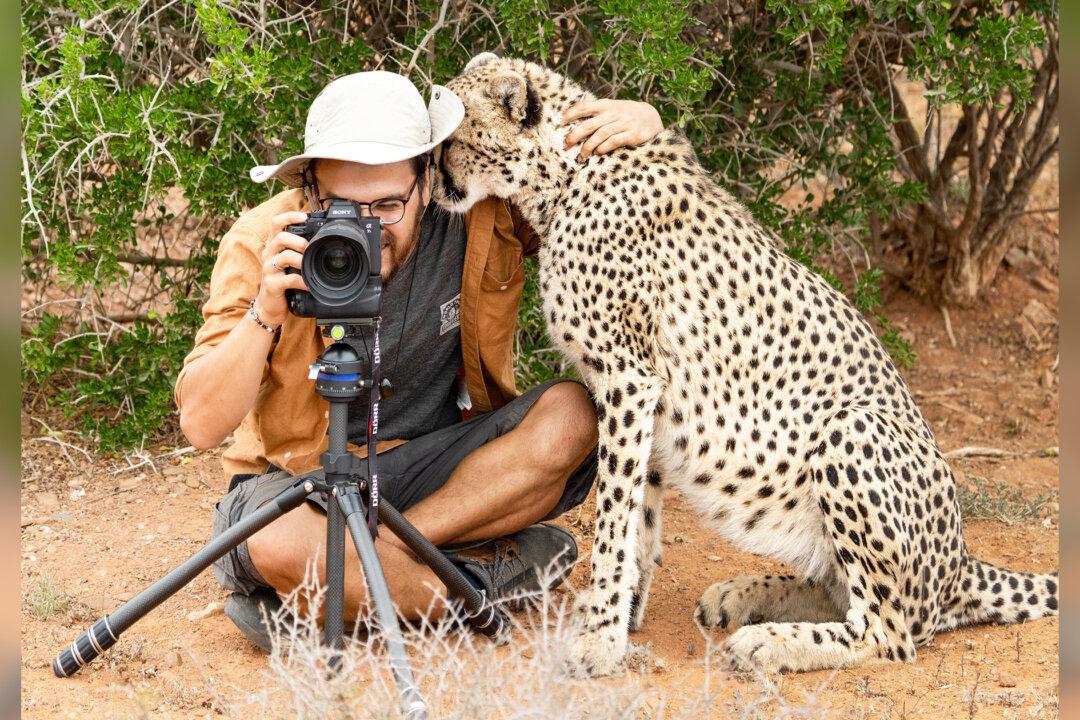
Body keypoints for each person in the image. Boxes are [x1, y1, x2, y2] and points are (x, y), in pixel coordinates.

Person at [174, 69, 664, 650]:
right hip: (302, 481)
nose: (367, 226)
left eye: (388, 204)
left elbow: (585, 191)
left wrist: (645, 128)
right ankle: (473, 582)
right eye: (341, 205)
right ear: (310, 188)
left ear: (427, 180)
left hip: (437, 473)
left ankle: (349, 585)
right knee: (274, 540)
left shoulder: (479, 215)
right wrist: (265, 311)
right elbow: (201, 423)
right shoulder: (266, 239)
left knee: (575, 416)